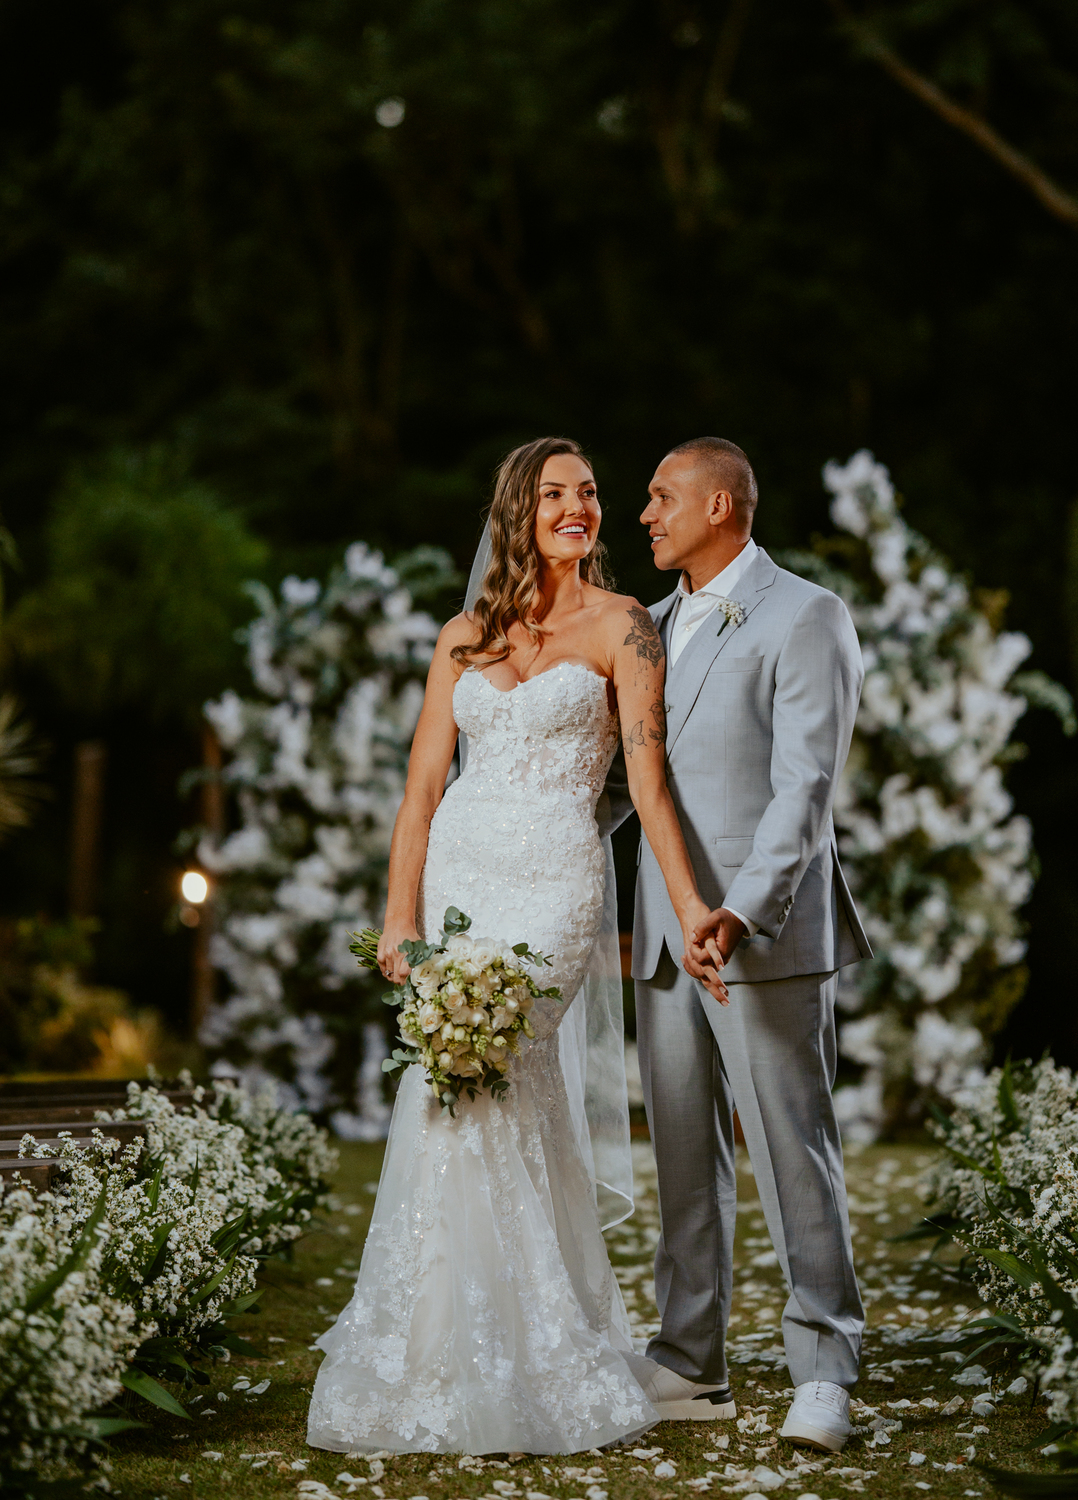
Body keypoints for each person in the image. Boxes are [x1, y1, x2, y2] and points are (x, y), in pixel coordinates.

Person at [307, 436, 726, 1457]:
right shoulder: (463, 635)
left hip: (555, 885)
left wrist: (692, 909)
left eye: (589, 493)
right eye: (555, 495)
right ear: (517, 513)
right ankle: (443, 1349)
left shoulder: (625, 626)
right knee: (451, 1090)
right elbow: (421, 791)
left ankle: (529, 1352)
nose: (578, 507)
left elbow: (649, 785)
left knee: (499, 1064)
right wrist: (400, 916)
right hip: (460, 881)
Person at [625, 436, 871, 1453]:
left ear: (720, 505)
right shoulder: (644, 626)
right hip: (662, 934)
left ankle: (826, 1368)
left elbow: (804, 788)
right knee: (684, 1155)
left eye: (661, 496)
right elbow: (627, 780)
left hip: (757, 936)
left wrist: (742, 910)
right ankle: (691, 1360)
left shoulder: (807, 615)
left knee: (790, 1151)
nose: (645, 514)